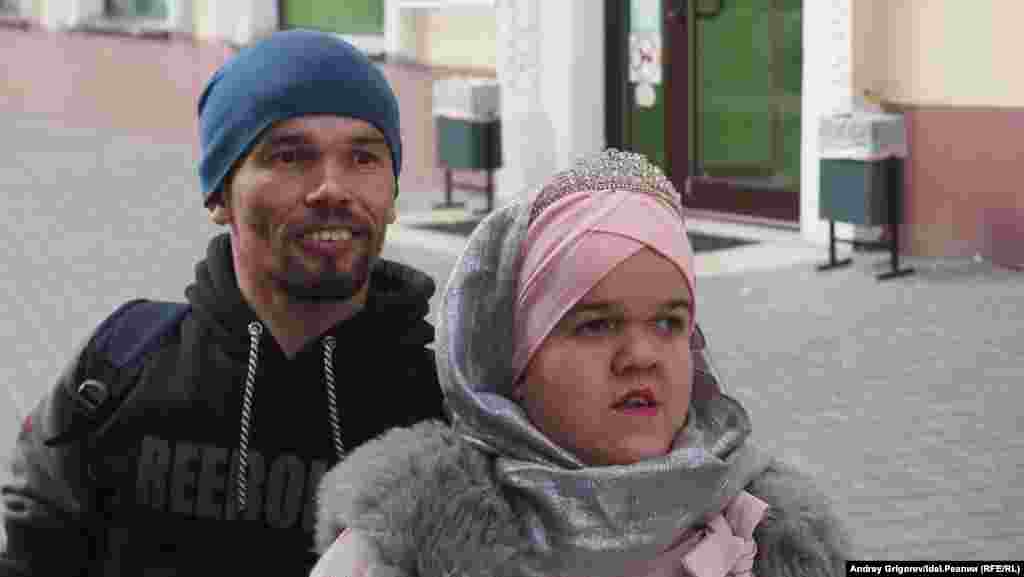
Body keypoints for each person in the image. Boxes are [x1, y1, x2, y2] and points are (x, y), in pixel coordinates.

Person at [1, 30, 447, 576]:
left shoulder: (447, 409)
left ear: (393, 193)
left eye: (363, 157)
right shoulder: (120, 370)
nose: (332, 187)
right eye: (290, 156)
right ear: (219, 194)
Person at [310, 149, 853, 577]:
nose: (642, 357)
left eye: (669, 323)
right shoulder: (401, 547)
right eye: (595, 325)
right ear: (512, 360)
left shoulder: (770, 533)